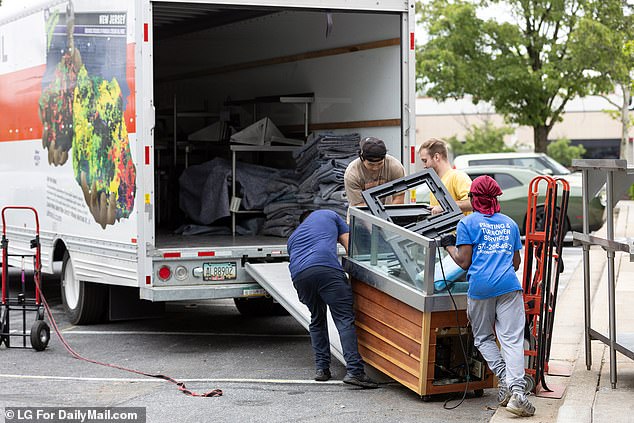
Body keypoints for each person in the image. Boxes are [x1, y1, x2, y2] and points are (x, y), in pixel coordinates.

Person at [441, 175, 535, 417]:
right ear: (495, 199)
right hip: (508, 287)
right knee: (512, 340)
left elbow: (463, 261)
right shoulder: (510, 224)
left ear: (474, 198)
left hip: (481, 289)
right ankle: (517, 392)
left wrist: (449, 245)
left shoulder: (468, 224)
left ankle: (504, 377)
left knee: (483, 337)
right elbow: (516, 262)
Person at [287, 209, 378, 389]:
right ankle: (355, 371)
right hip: (326, 269)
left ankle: (322, 369)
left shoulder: (294, 237)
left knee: (317, 318)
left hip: (300, 276)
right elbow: (350, 246)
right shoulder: (330, 215)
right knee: (344, 319)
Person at [344, 136, 405, 211]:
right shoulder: (352, 173)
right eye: (371, 164)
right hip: (362, 214)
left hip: (388, 212)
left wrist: (388, 218)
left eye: (380, 164)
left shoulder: (395, 167)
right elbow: (358, 205)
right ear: (362, 159)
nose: (375, 168)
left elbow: (399, 197)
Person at [418, 138, 472, 215]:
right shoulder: (436, 183)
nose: (424, 166)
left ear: (436, 157)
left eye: (425, 161)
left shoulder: (458, 176)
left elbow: (471, 202)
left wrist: (444, 207)